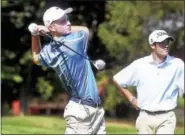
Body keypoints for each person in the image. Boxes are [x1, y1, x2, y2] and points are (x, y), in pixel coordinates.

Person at [28, 6, 106, 134]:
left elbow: (36, 57)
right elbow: (84, 29)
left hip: (94, 110)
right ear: (52, 26)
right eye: (63, 21)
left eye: (67, 19)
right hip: (81, 112)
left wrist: (35, 35)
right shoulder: (76, 39)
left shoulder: (52, 50)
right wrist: (46, 31)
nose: (68, 23)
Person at [113, 30, 184, 134]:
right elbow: (117, 80)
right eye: (162, 43)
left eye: (167, 42)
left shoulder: (177, 64)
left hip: (167, 117)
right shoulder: (140, 64)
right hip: (145, 117)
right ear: (153, 45)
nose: (166, 45)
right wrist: (131, 99)